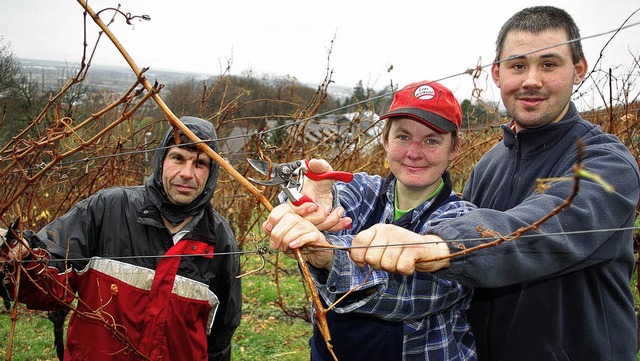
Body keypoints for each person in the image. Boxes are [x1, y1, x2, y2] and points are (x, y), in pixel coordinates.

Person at [346, 6, 640, 361]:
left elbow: (548, 224)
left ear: (578, 69)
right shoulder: (490, 164)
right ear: (497, 74)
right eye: (518, 65)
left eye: (549, 64)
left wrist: (441, 245)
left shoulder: (607, 162)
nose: (531, 79)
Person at [264, 80, 477, 360]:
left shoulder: (463, 221)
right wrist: (306, 208)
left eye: (432, 140)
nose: (414, 152)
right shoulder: (364, 190)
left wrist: (328, 256)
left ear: (454, 148)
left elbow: (413, 295)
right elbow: (333, 201)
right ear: (386, 140)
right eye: (403, 137)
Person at [0, 116, 242, 361]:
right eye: (178, 158)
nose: (187, 173)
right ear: (161, 160)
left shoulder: (219, 239)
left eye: (200, 163)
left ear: (212, 173)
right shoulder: (109, 208)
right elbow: (48, 285)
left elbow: (221, 334)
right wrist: (20, 258)